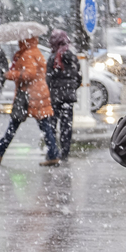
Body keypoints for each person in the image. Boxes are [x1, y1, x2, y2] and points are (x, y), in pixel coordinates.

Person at [0, 36, 60, 167]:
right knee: (42, 125)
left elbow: (29, 74)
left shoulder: (28, 54)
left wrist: (11, 74)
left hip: (29, 95)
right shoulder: (34, 51)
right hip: (36, 93)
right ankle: (53, 154)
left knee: (14, 125)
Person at [46, 29, 82, 161]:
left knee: (52, 125)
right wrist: (71, 89)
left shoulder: (53, 57)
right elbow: (78, 76)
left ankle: (53, 151)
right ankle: (65, 152)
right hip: (68, 97)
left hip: (55, 97)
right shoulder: (72, 55)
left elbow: (48, 79)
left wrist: (51, 91)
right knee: (66, 126)